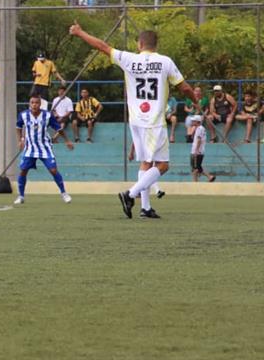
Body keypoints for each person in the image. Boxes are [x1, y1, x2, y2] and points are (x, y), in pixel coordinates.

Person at [69, 22, 194, 219]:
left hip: (136, 120)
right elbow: (185, 88)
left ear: (140, 43)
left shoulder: (129, 59)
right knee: (162, 165)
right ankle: (130, 194)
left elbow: (101, 46)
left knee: (145, 163)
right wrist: (195, 100)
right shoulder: (165, 62)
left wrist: (79, 32)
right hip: (154, 121)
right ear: (155, 45)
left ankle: (145, 208)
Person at [14, 95, 74, 205]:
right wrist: (20, 140)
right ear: (29, 104)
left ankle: (64, 193)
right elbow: (18, 127)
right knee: (23, 171)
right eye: (32, 102)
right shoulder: (23, 115)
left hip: (44, 148)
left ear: (40, 104)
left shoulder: (47, 115)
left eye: (36, 103)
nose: (34, 105)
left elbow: (58, 128)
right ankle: (21, 196)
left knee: (53, 170)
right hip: (30, 148)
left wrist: (67, 141)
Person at [188, 115, 217, 182]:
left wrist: (196, 150)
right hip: (198, 151)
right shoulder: (199, 128)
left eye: (193, 121)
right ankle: (209, 177)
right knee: (197, 167)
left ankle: (195, 181)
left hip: (197, 151)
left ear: (197, 122)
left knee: (195, 168)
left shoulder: (200, 129)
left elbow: (199, 140)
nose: (192, 122)